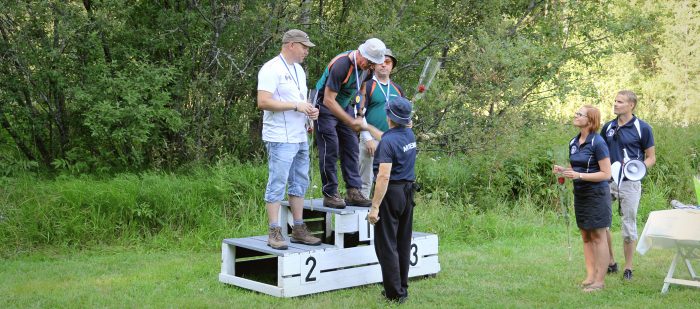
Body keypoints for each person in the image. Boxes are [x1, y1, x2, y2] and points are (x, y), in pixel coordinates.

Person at [257, 29, 322, 250]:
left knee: (299, 181)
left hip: (300, 135)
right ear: (291, 44)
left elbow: (300, 101)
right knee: (277, 182)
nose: (306, 51)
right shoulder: (271, 68)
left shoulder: (299, 71)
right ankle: (274, 231)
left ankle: (298, 228)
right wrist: (296, 106)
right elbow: (263, 102)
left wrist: (310, 114)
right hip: (279, 137)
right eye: (304, 47)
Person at [314, 38, 387, 209]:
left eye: (373, 64)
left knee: (351, 146)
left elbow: (361, 90)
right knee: (330, 147)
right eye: (368, 62)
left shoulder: (367, 69)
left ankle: (354, 191)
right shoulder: (341, 65)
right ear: (360, 53)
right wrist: (350, 121)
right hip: (324, 106)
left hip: (345, 105)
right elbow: (328, 100)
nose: (369, 66)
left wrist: (360, 113)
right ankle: (330, 193)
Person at [553, 105, 612, 292]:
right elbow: (575, 168)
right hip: (580, 194)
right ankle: (590, 276)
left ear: (590, 120)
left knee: (598, 236)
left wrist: (579, 176)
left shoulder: (598, 142)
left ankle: (600, 281)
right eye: (576, 113)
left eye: (580, 114)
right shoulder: (573, 141)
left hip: (597, 195)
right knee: (586, 236)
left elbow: (606, 174)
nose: (575, 115)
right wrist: (563, 171)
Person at [365, 97, 417, 303]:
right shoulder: (408, 134)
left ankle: (394, 294)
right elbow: (387, 138)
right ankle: (402, 287)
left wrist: (375, 207)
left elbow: (383, 176)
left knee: (386, 244)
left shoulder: (388, 142)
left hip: (391, 193)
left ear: (389, 117)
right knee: (402, 242)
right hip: (407, 192)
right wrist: (366, 126)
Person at [600, 90, 656, 281]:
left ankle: (628, 268)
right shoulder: (608, 127)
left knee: (628, 225)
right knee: (602, 223)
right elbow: (601, 154)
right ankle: (611, 262)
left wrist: (638, 168)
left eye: (620, 102)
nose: (615, 104)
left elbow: (651, 157)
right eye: (614, 101)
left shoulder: (643, 128)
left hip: (630, 184)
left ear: (631, 105)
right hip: (608, 181)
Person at [359, 49, 404, 197]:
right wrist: (367, 139)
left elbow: (402, 116)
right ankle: (361, 217)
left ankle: (382, 216)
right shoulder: (367, 85)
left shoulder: (398, 89)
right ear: (373, 65)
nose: (383, 65)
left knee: (386, 180)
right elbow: (359, 113)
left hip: (391, 142)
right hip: (370, 141)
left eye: (387, 62)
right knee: (364, 181)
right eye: (380, 62)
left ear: (392, 66)